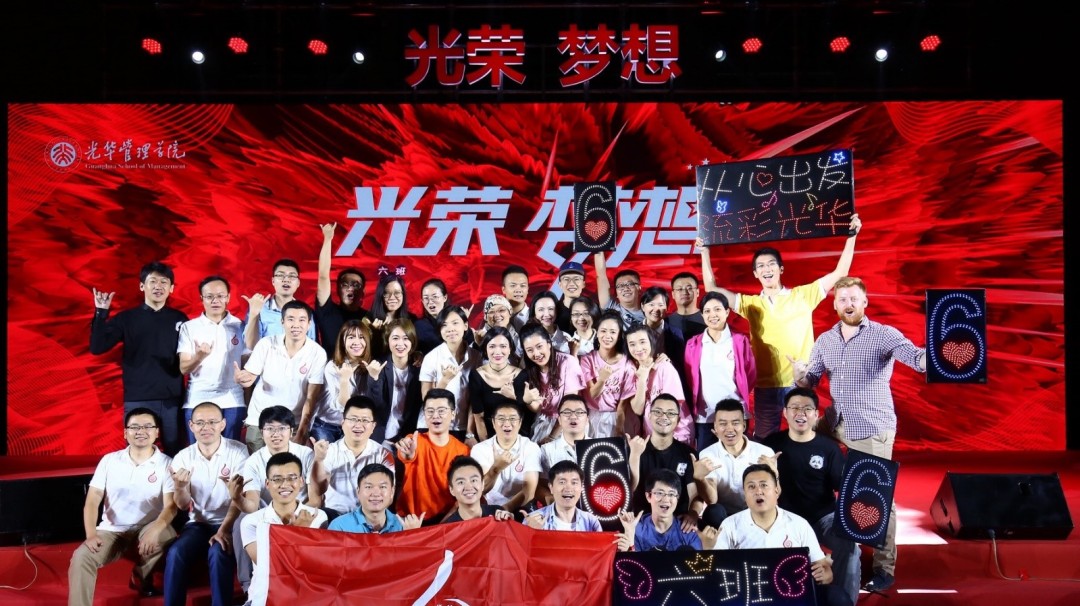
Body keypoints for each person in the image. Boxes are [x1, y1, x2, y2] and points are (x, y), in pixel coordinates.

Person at [792, 275, 926, 593]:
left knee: (877, 496)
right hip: (836, 423)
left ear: (865, 302)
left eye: (854, 298)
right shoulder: (826, 339)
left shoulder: (883, 334)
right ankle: (810, 528)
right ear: (835, 304)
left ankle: (884, 568)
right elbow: (811, 380)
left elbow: (915, 357)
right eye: (842, 299)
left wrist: (932, 356)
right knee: (798, 442)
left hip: (871, 427)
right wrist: (800, 377)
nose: (848, 303)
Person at [699, 214, 861, 438]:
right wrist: (704, 251)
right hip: (766, 386)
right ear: (755, 273)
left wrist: (851, 236)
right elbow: (712, 289)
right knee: (765, 440)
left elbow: (840, 274)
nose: (766, 269)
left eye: (771, 264)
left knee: (804, 437)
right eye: (761, 266)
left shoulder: (803, 295)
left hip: (799, 382)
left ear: (781, 269)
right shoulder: (750, 303)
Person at [68, 408, 177, 605]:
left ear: (156, 432)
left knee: (166, 534)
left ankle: (141, 577)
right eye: (134, 427)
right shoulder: (110, 460)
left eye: (147, 426)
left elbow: (171, 506)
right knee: (81, 557)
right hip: (112, 530)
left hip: (147, 526)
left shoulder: (166, 464)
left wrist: (155, 530)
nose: (141, 431)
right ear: (125, 433)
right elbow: (93, 499)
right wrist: (91, 534)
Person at [762, 388, 860, 606]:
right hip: (785, 520)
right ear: (785, 412)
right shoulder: (770, 445)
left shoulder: (829, 448)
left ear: (816, 414)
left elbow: (843, 488)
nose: (801, 413)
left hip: (823, 518)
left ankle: (843, 599)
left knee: (849, 545)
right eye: (795, 407)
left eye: (807, 408)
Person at [90, 261, 188, 455]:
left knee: (175, 452)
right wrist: (101, 314)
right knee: (138, 452)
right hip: (138, 397)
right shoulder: (127, 318)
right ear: (142, 286)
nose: (158, 286)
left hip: (172, 398)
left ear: (171, 288)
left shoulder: (180, 319)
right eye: (153, 281)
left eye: (164, 282)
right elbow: (97, 347)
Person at [701, 464, 834, 596]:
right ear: (745, 495)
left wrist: (825, 574)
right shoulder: (730, 525)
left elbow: (824, 568)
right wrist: (708, 549)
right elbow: (716, 576)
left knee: (835, 596)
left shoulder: (799, 524)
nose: (758, 491)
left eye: (764, 485)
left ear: (776, 491)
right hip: (746, 597)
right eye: (751, 487)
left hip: (791, 596)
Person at [163, 402, 249, 606]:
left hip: (231, 522)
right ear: (191, 426)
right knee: (175, 553)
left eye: (212, 422)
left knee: (218, 553)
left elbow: (239, 497)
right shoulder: (183, 457)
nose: (206, 427)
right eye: (200, 423)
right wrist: (180, 487)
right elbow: (182, 505)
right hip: (198, 523)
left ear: (223, 424)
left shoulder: (238, 451)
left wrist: (224, 529)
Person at [227, 406, 318, 598]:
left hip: (300, 509)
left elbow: (315, 497)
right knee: (241, 521)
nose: (276, 434)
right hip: (267, 513)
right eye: (270, 429)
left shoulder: (306, 454)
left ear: (291, 431)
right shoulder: (254, 461)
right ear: (261, 432)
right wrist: (236, 498)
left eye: (282, 428)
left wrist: (298, 519)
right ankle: (249, 587)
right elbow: (251, 505)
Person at [234, 299, 327, 451]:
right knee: (257, 463)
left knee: (288, 465)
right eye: (290, 319)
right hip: (260, 419)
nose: (296, 325)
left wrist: (302, 430)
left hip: (292, 422)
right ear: (282, 322)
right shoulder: (266, 344)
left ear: (309, 324)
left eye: (301, 320)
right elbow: (250, 378)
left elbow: (311, 398)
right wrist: (242, 379)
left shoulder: (317, 353)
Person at [240, 452, 327, 606]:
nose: (285, 485)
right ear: (267, 484)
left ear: (301, 481)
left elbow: (315, 564)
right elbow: (268, 564)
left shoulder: (318, 516)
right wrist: (297, 532)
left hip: (305, 595)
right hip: (265, 596)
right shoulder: (252, 521)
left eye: (292, 478)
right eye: (277, 479)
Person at [627, 394, 713, 532]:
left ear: (678, 420)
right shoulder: (635, 449)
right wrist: (634, 456)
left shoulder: (688, 454)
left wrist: (693, 514)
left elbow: (695, 496)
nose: (664, 417)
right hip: (641, 523)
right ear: (649, 416)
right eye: (658, 412)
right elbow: (628, 491)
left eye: (671, 413)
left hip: (678, 524)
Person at [684, 291, 756, 450]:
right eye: (707, 311)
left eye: (717, 309)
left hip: (735, 413)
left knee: (737, 457)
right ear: (702, 315)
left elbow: (750, 374)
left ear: (727, 312)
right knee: (706, 459)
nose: (713, 315)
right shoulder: (693, 344)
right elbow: (691, 378)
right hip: (706, 415)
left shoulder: (739, 341)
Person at [177, 275, 246, 443]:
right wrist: (199, 356)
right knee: (199, 451)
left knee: (232, 450)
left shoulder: (240, 326)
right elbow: (184, 368)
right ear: (202, 298)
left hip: (232, 399)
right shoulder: (189, 327)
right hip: (197, 398)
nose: (215, 301)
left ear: (228, 297)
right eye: (209, 296)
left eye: (221, 296)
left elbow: (248, 366)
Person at [310, 396, 396, 522]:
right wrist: (318, 459)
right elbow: (318, 490)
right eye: (353, 419)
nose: (358, 425)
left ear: (373, 426)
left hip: (368, 516)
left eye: (365, 420)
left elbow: (388, 496)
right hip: (334, 515)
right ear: (343, 423)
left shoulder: (383, 454)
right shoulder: (329, 451)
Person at [395, 389, 471, 524]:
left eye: (441, 411)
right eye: (430, 411)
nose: (435, 416)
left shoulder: (463, 451)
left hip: (445, 521)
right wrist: (407, 454)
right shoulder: (414, 441)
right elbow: (406, 455)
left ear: (453, 414)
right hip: (410, 520)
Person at [696, 399, 775, 527]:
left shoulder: (764, 452)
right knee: (713, 511)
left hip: (753, 510)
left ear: (744, 425)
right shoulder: (707, 454)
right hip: (723, 513)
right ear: (715, 426)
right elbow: (712, 500)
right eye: (723, 424)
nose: (729, 429)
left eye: (735, 423)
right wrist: (699, 478)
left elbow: (775, 495)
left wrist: (775, 475)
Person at [419, 305, 481, 443]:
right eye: (444, 325)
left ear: (465, 326)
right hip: (433, 426)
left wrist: (470, 433)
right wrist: (445, 380)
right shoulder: (431, 357)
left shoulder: (476, 357)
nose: (450, 329)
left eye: (455, 323)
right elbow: (427, 400)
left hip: (463, 427)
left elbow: (475, 399)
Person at [515, 323, 586, 443]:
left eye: (539, 346)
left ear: (549, 343)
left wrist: (552, 437)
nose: (536, 354)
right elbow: (539, 408)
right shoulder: (531, 370)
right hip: (544, 423)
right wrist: (528, 401)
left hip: (567, 424)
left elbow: (569, 407)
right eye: (530, 350)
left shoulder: (568, 362)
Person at [470, 402, 541, 513]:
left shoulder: (531, 447)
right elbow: (480, 490)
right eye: (501, 419)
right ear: (493, 423)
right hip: (489, 507)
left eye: (512, 419)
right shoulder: (480, 449)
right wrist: (496, 468)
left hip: (521, 506)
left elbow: (529, 491)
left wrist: (504, 509)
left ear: (520, 423)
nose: (507, 424)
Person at [625, 323, 690, 443]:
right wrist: (642, 380)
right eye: (632, 344)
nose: (638, 348)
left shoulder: (665, 367)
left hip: (675, 434)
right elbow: (638, 409)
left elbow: (672, 409)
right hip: (652, 436)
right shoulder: (632, 371)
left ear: (651, 342)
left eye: (642, 342)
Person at [311, 320, 375, 444]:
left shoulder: (369, 367)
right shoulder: (333, 366)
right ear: (343, 342)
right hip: (327, 423)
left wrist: (374, 377)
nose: (356, 342)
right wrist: (344, 380)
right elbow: (341, 406)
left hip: (351, 426)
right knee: (327, 455)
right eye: (351, 337)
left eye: (361, 337)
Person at [579, 310, 636, 438]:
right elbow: (592, 394)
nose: (607, 336)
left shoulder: (627, 365)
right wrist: (602, 379)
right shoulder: (587, 360)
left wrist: (619, 428)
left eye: (613, 332)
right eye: (603, 331)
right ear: (597, 332)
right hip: (590, 416)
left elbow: (622, 405)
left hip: (614, 417)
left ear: (619, 335)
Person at [366, 318, 423, 446]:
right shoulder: (379, 365)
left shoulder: (418, 369)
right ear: (388, 340)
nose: (400, 343)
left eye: (406, 338)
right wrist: (374, 378)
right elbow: (376, 406)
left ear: (412, 341)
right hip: (379, 436)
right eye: (395, 338)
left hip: (406, 437)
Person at [315, 223, 367, 358]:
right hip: (331, 368)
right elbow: (323, 276)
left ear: (363, 293)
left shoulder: (370, 317)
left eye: (356, 285)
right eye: (345, 284)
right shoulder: (327, 311)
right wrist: (328, 239)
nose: (350, 288)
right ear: (337, 290)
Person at [242, 258, 316, 351]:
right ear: (273, 281)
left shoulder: (305, 312)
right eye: (280, 275)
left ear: (298, 283)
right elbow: (251, 345)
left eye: (292, 276)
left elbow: (311, 346)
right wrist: (254, 314)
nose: (286, 280)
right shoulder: (260, 308)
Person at [618, 470, 703, 551]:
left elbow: (697, 560)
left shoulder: (688, 532)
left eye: (671, 494)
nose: (666, 499)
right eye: (659, 493)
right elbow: (632, 560)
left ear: (677, 498)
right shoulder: (636, 529)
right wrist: (629, 539)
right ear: (648, 496)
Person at [328, 463, 424, 533]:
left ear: (392, 492)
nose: (376, 493)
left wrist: (411, 536)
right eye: (368, 487)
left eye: (382, 487)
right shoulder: (339, 527)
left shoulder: (403, 526)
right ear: (358, 492)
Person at [469, 326, 522, 441]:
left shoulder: (521, 375)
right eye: (492, 346)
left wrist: (513, 397)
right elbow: (479, 417)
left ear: (510, 349)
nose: (497, 352)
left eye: (503, 346)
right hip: (487, 437)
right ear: (485, 349)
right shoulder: (477, 375)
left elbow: (524, 414)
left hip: (518, 437)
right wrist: (487, 445)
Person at [523, 460, 601, 532]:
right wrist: (533, 532)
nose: (568, 488)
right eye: (562, 482)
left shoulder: (590, 521)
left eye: (574, 483)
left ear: (581, 488)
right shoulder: (533, 520)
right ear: (551, 487)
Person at [539, 395, 591, 494]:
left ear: (587, 419)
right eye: (567, 412)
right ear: (559, 419)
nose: (573, 417)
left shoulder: (599, 447)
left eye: (579, 412)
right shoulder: (547, 450)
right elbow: (542, 485)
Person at [442, 455, 516, 523]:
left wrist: (511, 523)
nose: (468, 487)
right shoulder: (448, 528)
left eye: (473, 480)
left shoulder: (498, 514)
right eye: (461, 482)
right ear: (451, 490)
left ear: (482, 484)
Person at [365, 274, 415, 360]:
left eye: (397, 293)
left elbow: (414, 348)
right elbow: (364, 352)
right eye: (386, 293)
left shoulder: (412, 319)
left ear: (403, 294)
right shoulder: (369, 319)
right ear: (380, 295)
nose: (392, 297)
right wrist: (375, 333)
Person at [640, 286, 687, 375]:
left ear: (667, 308)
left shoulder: (676, 333)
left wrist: (669, 361)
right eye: (651, 304)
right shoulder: (632, 332)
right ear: (642, 306)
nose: (656, 309)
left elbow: (681, 364)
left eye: (661, 305)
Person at [592, 252, 644, 329]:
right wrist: (598, 249)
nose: (625, 288)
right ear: (616, 293)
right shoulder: (611, 308)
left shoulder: (650, 312)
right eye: (620, 286)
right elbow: (601, 275)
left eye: (630, 284)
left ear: (639, 288)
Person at [472, 294, 522, 361]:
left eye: (501, 310)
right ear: (485, 317)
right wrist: (480, 346)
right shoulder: (477, 341)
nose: (497, 315)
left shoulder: (520, 338)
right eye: (491, 312)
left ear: (510, 312)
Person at [668, 271, 706, 340]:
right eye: (679, 289)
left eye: (689, 288)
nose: (684, 292)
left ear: (697, 292)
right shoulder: (666, 323)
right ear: (673, 294)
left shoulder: (708, 318)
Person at [555, 260, 587, 334]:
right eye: (566, 279)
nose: (571, 283)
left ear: (583, 284)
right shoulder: (554, 310)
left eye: (576, 279)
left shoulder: (592, 308)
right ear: (560, 284)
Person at [501, 265, 532, 331]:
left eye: (522, 286)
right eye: (513, 285)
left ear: (528, 289)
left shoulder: (534, 317)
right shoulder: (493, 315)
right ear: (503, 289)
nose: (518, 290)